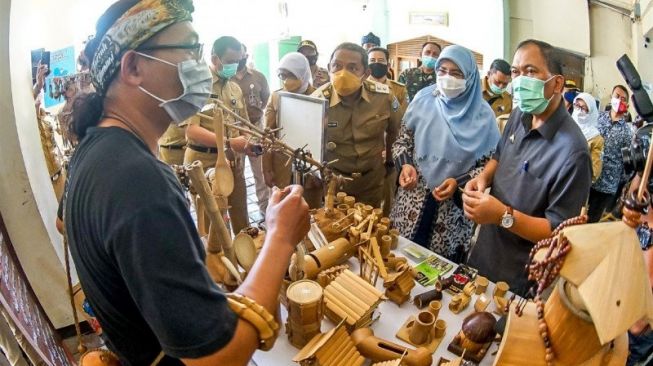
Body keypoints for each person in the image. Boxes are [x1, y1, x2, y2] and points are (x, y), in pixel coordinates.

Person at [63, 1, 309, 364]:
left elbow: (63, 222)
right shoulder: (138, 178)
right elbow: (218, 359)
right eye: (190, 49)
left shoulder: (94, 148)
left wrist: (168, 250)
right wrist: (282, 238)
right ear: (133, 67)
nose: (200, 66)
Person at [463, 39, 592, 294]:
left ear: (557, 83)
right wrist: (483, 178)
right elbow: (499, 155)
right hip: (485, 251)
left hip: (520, 274)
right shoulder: (519, 113)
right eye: (516, 72)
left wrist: (502, 215)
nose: (520, 81)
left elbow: (558, 231)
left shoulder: (573, 152)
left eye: (530, 72)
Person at [390, 45, 500, 263]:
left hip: (452, 212)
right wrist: (405, 165)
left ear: (469, 77)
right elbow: (402, 142)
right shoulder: (422, 100)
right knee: (398, 263)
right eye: (442, 70)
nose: (447, 77)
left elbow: (489, 165)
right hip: (412, 200)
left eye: (456, 73)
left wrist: (458, 181)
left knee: (438, 275)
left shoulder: (483, 116)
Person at [311, 42, 402, 207]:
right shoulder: (317, 102)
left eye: (353, 68)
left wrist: (389, 162)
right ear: (328, 68)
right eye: (337, 66)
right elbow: (309, 144)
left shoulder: (384, 97)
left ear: (366, 73)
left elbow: (394, 132)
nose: (343, 73)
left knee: (371, 227)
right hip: (335, 182)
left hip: (371, 181)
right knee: (335, 228)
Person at [183, 35, 252, 235]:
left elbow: (244, 125)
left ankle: (248, 264)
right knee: (213, 226)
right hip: (204, 165)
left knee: (242, 222)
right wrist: (229, 143)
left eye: (239, 61)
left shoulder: (234, 89)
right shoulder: (197, 87)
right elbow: (191, 129)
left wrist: (249, 144)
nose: (236, 66)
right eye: (230, 61)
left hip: (233, 164)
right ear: (215, 59)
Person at [262, 52, 322, 208]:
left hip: (310, 165)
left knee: (309, 210)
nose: (286, 80)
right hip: (282, 166)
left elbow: (323, 137)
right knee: (283, 210)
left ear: (303, 74)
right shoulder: (276, 97)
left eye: (291, 75)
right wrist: (267, 169)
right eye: (283, 75)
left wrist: (319, 170)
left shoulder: (318, 97)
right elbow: (268, 134)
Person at [368, 46, 408, 215]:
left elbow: (403, 122)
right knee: (368, 199)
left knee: (389, 196)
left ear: (388, 63)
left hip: (391, 150)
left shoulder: (398, 90)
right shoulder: (359, 88)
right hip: (368, 151)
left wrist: (391, 153)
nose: (377, 64)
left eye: (381, 61)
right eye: (372, 61)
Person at [233, 43, 271, 217]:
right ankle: (241, 218)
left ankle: (265, 212)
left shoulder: (258, 77)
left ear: (246, 55)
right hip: (234, 131)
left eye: (242, 56)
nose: (240, 60)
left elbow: (266, 99)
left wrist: (257, 115)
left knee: (260, 171)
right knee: (237, 173)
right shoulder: (227, 79)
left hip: (255, 128)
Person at [587, 85, 634, 222]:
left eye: (623, 99)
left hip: (607, 185)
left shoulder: (627, 132)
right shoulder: (597, 118)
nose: (619, 100)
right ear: (611, 98)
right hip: (589, 177)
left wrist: (618, 183)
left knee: (592, 220)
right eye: (617, 96)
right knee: (577, 215)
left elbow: (627, 163)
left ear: (627, 105)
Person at [571, 92, 604, 183]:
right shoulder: (566, 126)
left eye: (583, 108)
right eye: (577, 106)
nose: (579, 111)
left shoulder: (596, 138)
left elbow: (594, 172)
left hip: (577, 183)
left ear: (590, 111)